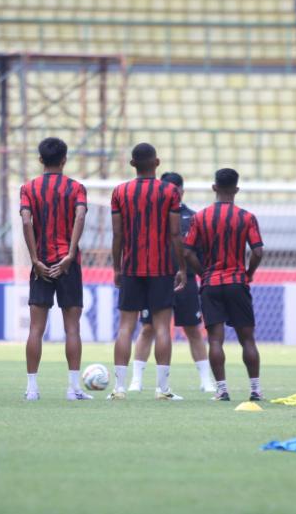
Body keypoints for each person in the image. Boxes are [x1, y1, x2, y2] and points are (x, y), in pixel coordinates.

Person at [108, 143, 186, 400]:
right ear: (157, 162)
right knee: (163, 328)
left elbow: (117, 233)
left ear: (132, 165)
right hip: (161, 267)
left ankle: (119, 388)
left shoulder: (120, 191)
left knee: (125, 328)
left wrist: (117, 267)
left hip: (131, 266)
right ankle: (162, 390)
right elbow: (175, 233)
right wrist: (181, 267)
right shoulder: (170, 192)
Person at [181, 168, 265, 402]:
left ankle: (222, 390)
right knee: (247, 339)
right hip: (238, 282)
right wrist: (249, 273)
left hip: (212, 284)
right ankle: (255, 389)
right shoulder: (246, 217)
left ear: (214, 187)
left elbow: (186, 252)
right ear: (236, 189)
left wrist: (203, 274)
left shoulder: (200, 217)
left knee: (215, 340)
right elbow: (258, 251)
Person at [130, 172, 217, 394]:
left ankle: (206, 381)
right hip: (155, 278)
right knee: (148, 328)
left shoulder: (193, 218)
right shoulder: (151, 216)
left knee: (193, 329)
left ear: (181, 192)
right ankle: (136, 380)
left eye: (175, 191)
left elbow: (199, 251)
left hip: (185, 281)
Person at [18, 137, 90, 401]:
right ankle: (74, 389)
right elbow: (80, 216)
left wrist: (35, 259)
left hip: (42, 264)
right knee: (72, 328)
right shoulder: (76, 188)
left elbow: (26, 221)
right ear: (64, 159)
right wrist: (70, 254)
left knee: (36, 328)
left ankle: (32, 389)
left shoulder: (28, 188)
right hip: (68, 264)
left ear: (40, 160)